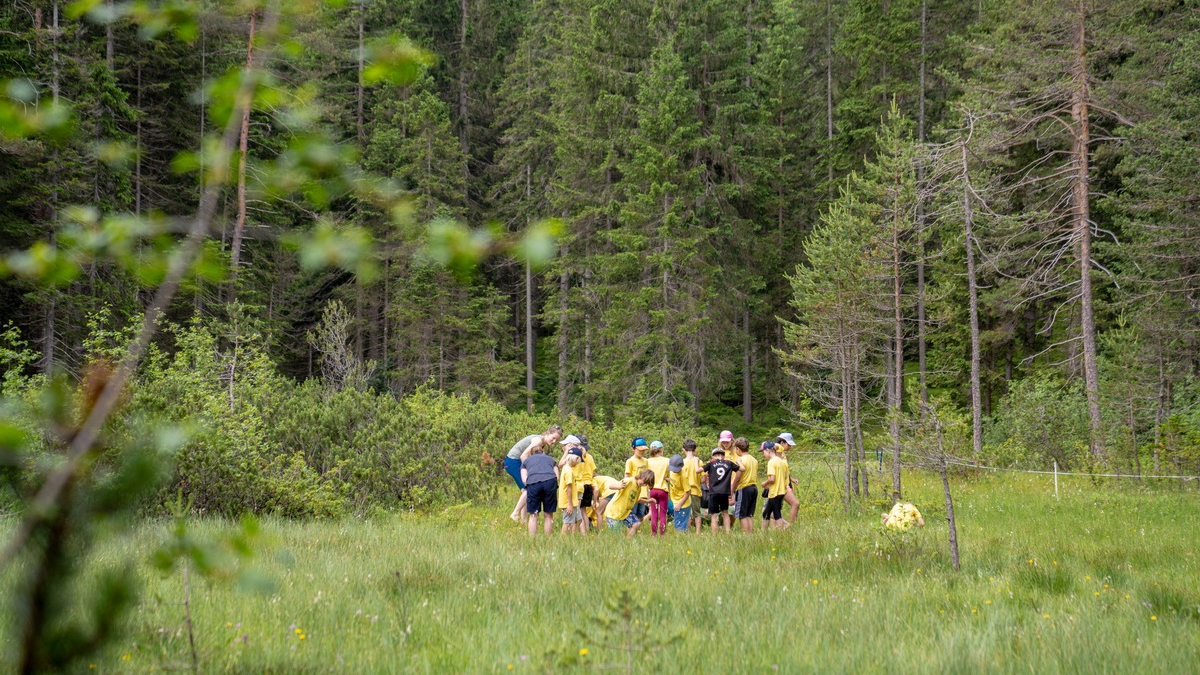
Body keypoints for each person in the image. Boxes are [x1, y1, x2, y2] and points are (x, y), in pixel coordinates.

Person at [506, 425, 563, 523]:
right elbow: (523, 456)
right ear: (548, 433)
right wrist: (529, 470)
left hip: (516, 462)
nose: (554, 442)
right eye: (553, 438)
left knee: (526, 490)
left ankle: (523, 520)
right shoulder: (537, 441)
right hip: (513, 462)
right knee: (529, 488)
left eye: (556, 441)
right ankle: (515, 513)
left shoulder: (542, 445)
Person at [520, 443, 559, 537]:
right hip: (550, 482)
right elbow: (557, 476)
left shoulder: (526, 461)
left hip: (533, 483)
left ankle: (533, 539)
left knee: (533, 515)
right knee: (548, 514)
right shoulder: (551, 459)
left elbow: (525, 480)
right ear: (543, 452)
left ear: (531, 454)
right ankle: (548, 538)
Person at [559, 435, 595, 534]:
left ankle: (577, 533)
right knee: (580, 512)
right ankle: (583, 533)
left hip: (575, 486)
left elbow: (560, 465)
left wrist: (566, 451)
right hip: (584, 484)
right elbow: (592, 471)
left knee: (574, 512)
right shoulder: (586, 455)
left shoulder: (573, 457)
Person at [603, 470, 655, 537]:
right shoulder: (629, 481)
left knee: (636, 524)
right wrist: (619, 487)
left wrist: (648, 501)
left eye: (646, 484)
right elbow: (610, 486)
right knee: (617, 536)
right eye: (644, 482)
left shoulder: (638, 488)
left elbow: (637, 500)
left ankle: (628, 540)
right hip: (614, 512)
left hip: (625, 512)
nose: (644, 484)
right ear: (642, 476)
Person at [701, 448, 738, 534]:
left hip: (714, 492)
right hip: (724, 491)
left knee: (715, 515)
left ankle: (715, 534)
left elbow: (698, 470)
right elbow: (741, 469)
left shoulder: (711, 464)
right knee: (725, 512)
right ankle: (727, 532)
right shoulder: (728, 463)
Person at [729, 437, 759, 533]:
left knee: (742, 515)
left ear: (737, 449)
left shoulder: (740, 460)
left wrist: (732, 490)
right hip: (754, 488)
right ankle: (750, 533)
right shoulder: (754, 460)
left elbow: (737, 478)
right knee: (749, 514)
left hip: (744, 488)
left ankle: (745, 535)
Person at [760, 441, 789, 529]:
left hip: (775, 491)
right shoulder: (780, 461)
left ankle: (781, 534)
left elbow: (772, 478)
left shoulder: (771, 462)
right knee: (766, 513)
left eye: (763, 452)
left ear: (768, 450)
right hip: (781, 491)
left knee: (777, 514)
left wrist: (764, 483)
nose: (763, 454)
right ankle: (762, 533)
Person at [775, 432, 801, 524]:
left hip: (785, 483)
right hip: (779, 484)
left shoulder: (782, 454)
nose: (790, 447)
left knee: (777, 506)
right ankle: (790, 525)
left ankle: (780, 528)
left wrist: (791, 479)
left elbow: (784, 470)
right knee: (795, 503)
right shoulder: (776, 454)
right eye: (788, 445)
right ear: (782, 443)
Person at [646, 441, 671, 536]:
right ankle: (662, 534)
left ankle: (653, 534)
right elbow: (672, 474)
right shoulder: (667, 460)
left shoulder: (648, 461)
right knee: (663, 514)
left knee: (654, 513)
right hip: (663, 490)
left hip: (652, 490)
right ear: (661, 449)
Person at [625, 438, 651, 521]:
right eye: (640, 450)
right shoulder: (630, 461)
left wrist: (649, 490)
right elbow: (627, 476)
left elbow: (648, 475)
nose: (642, 452)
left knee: (640, 513)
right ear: (633, 449)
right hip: (633, 491)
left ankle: (638, 530)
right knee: (632, 511)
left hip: (643, 491)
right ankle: (631, 529)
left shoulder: (646, 461)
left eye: (643, 450)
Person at [681, 439, 703, 533]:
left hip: (684, 491)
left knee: (687, 513)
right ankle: (698, 532)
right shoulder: (699, 462)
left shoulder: (681, 462)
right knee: (697, 513)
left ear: (683, 450)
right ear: (695, 450)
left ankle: (688, 531)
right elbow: (703, 479)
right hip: (695, 490)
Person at [558, 452, 582, 534]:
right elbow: (569, 488)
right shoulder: (569, 472)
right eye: (576, 461)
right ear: (572, 460)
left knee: (573, 520)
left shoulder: (565, 468)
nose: (577, 463)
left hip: (567, 501)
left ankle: (573, 537)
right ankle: (563, 538)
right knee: (567, 521)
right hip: (568, 501)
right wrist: (570, 505)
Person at [667, 453, 692, 533]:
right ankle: (685, 536)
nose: (674, 470)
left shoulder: (683, 476)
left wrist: (679, 504)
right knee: (681, 522)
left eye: (676, 468)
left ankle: (680, 539)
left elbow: (688, 492)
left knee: (679, 525)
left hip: (682, 503)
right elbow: (674, 481)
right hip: (675, 500)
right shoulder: (671, 472)